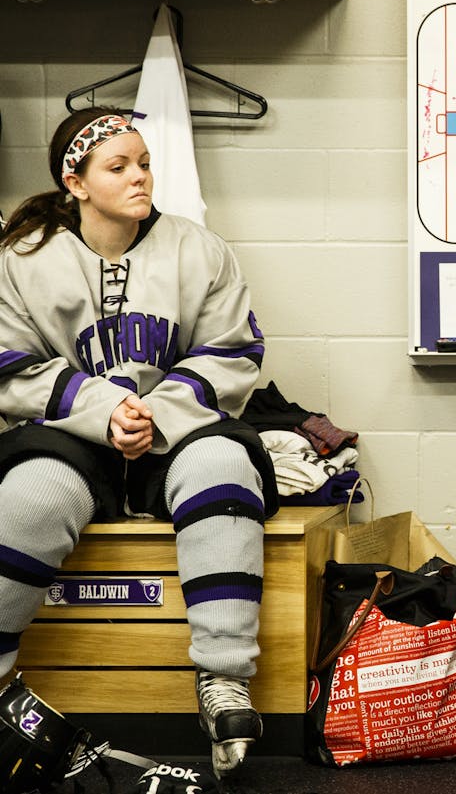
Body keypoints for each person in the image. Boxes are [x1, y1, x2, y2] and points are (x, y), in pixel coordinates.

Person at [0, 107, 277, 777]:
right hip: (73, 437)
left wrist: (155, 413)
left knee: (223, 468)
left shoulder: (196, 246)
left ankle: (224, 684)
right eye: (118, 166)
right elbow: (8, 365)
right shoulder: (22, 258)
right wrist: (100, 409)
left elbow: (235, 352)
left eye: (144, 162)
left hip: (173, 431)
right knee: (31, 497)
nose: (139, 177)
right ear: (76, 181)